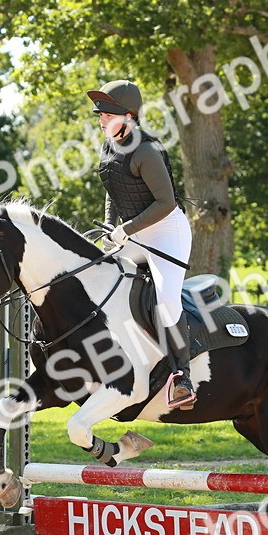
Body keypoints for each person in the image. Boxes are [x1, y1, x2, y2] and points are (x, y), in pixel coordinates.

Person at [88, 79, 196, 409]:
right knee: (97, 281)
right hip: (132, 234)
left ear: (129, 116)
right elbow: (113, 190)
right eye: (100, 114)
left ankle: (183, 378)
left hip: (166, 233)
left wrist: (127, 229)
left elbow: (166, 203)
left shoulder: (146, 151)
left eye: (107, 114)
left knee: (166, 300)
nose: (101, 119)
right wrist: (111, 227)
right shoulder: (110, 146)